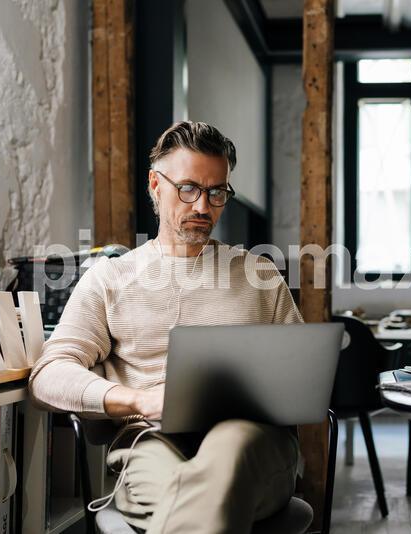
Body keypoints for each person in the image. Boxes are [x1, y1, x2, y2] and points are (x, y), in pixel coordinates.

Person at [29, 121, 303, 533]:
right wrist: (137, 400)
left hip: (251, 442)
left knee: (229, 454)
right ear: (155, 185)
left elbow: (302, 375)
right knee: (204, 498)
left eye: (217, 193)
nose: (202, 207)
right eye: (188, 188)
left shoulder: (259, 275)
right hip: (150, 442)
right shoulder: (111, 278)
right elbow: (47, 377)